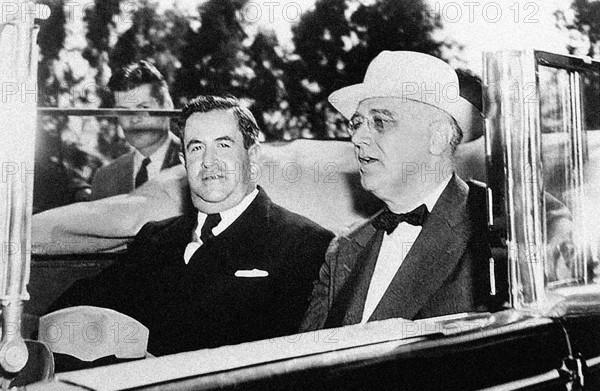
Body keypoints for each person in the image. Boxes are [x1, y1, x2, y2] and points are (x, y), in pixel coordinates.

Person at [50, 96, 334, 357]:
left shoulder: (305, 244)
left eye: (223, 145)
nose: (209, 162)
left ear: (254, 157)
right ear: (185, 162)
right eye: (197, 148)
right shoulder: (155, 238)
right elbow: (80, 305)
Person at [300, 51, 502, 331]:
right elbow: (307, 365)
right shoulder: (344, 249)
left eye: (380, 122)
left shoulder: (493, 225)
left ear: (437, 138)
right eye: (356, 124)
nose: (357, 138)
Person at [91, 60, 181, 200]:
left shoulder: (195, 164)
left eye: (143, 108)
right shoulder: (105, 179)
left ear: (167, 106)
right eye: (124, 111)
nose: (134, 119)